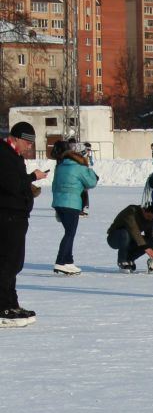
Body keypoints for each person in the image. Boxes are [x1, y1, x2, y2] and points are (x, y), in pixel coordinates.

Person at [0, 122, 48, 326]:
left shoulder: (13, 156)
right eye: (27, 142)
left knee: (15, 263)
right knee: (7, 263)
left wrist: (29, 187)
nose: (29, 146)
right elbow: (11, 185)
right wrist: (32, 177)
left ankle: (12, 303)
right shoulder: (4, 155)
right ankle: (3, 307)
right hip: (8, 216)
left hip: (17, 216)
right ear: (16, 138)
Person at [49, 140, 98, 275]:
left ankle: (68, 262)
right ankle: (60, 262)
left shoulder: (60, 166)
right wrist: (91, 172)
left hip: (59, 203)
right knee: (70, 233)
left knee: (69, 232)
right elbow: (91, 182)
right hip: (71, 204)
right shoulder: (79, 167)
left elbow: (54, 185)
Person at [106, 203, 153, 272]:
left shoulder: (151, 218)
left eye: (152, 217)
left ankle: (129, 259)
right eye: (148, 216)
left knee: (151, 241)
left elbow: (149, 235)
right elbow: (133, 229)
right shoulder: (131, 211)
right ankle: (122, 261)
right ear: (143, 210)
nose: (150, 218)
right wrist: (146, 247)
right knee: (125, 234)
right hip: (115, 238)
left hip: (131, 239)